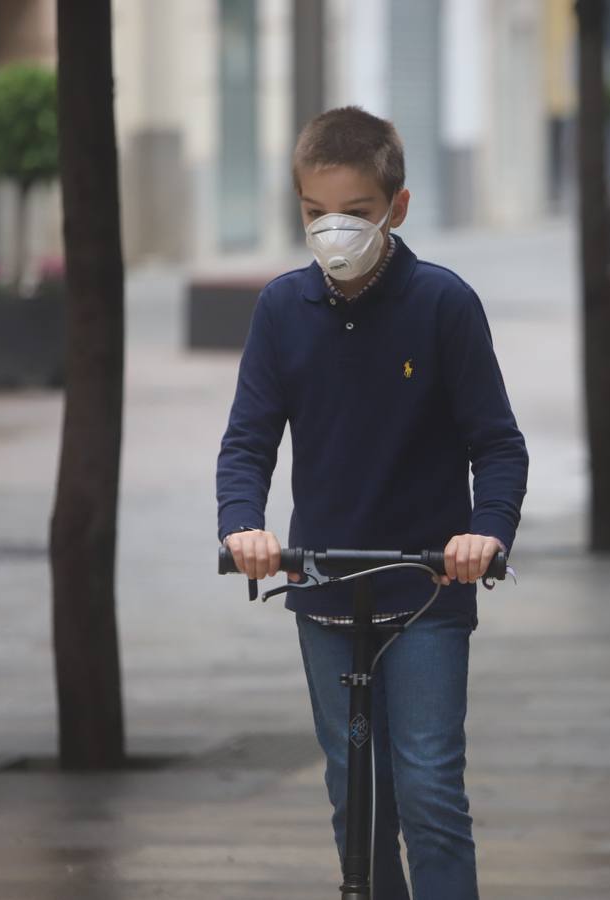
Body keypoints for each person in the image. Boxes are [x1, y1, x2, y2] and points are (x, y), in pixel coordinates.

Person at [216, 106, 528, 899]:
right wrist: (243, 526)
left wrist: (484, 536)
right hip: (324, 589)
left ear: (397, 208)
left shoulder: (442, 305)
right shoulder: (283, 311)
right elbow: (248, 440)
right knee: (354, 795)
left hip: (428, 589)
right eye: (315, 215)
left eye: (354, 215)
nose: (333, 233)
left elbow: (498, 444)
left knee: (427, 790)